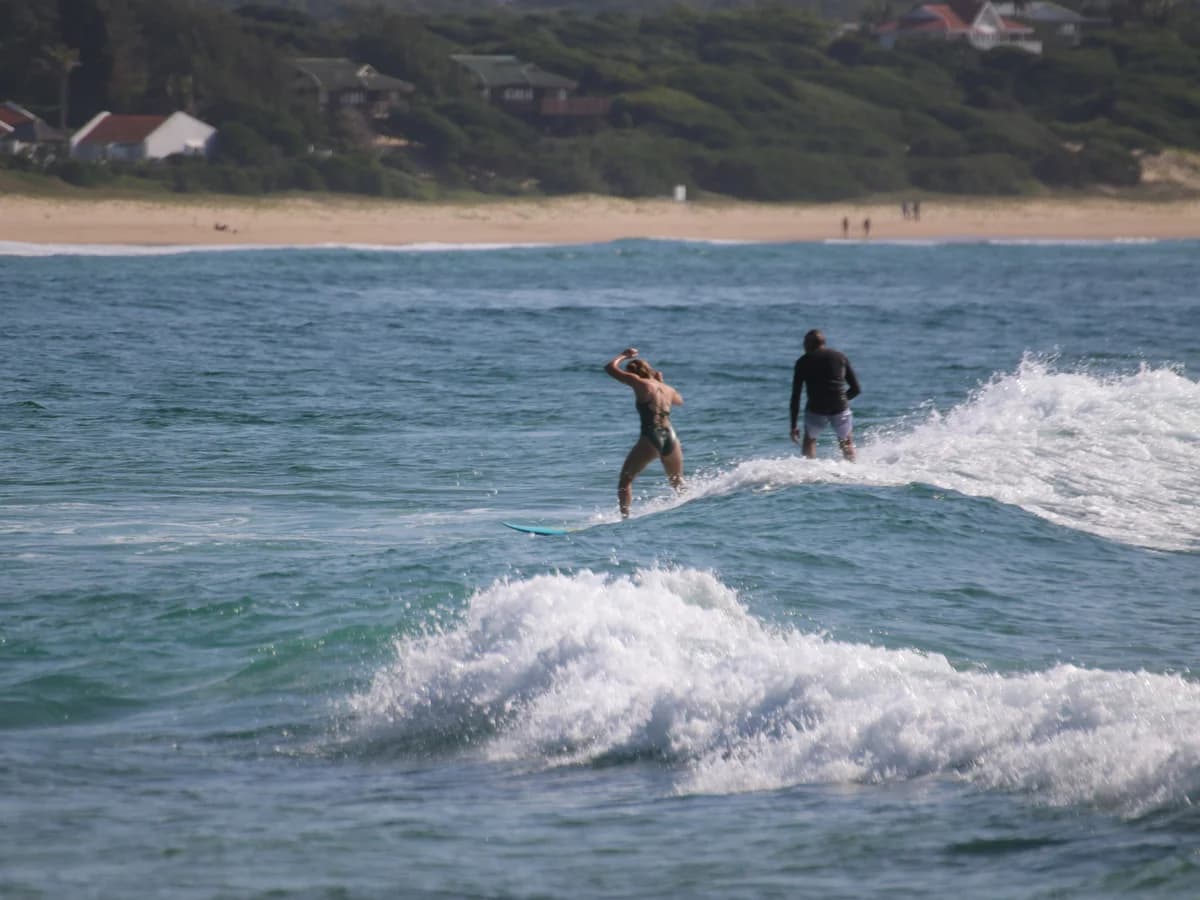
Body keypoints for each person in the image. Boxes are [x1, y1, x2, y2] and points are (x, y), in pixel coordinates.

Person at [605, 347, 684, 517]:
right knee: (677, 482)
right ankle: (688, 509)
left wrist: (624, 356)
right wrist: (661, 382)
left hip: (652, 435)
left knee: (625, 481)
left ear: (634, 373)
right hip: (671, 436)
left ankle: (625, 518)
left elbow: (609, 368)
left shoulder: (640, 383)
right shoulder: (667, 389)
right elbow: (679, 401)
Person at [789, 329, 861, 461]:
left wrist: (793, 426)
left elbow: (796, 396)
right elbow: (856, 389)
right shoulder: (840, 357)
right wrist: (842, 400)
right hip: (840, 407)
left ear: (809, 344)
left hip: (816, 408)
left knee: (809, 441)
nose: (803, 346)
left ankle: (808, 471)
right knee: (846, 442)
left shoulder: (803, 361)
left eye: (804, 343)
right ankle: (853, 469)